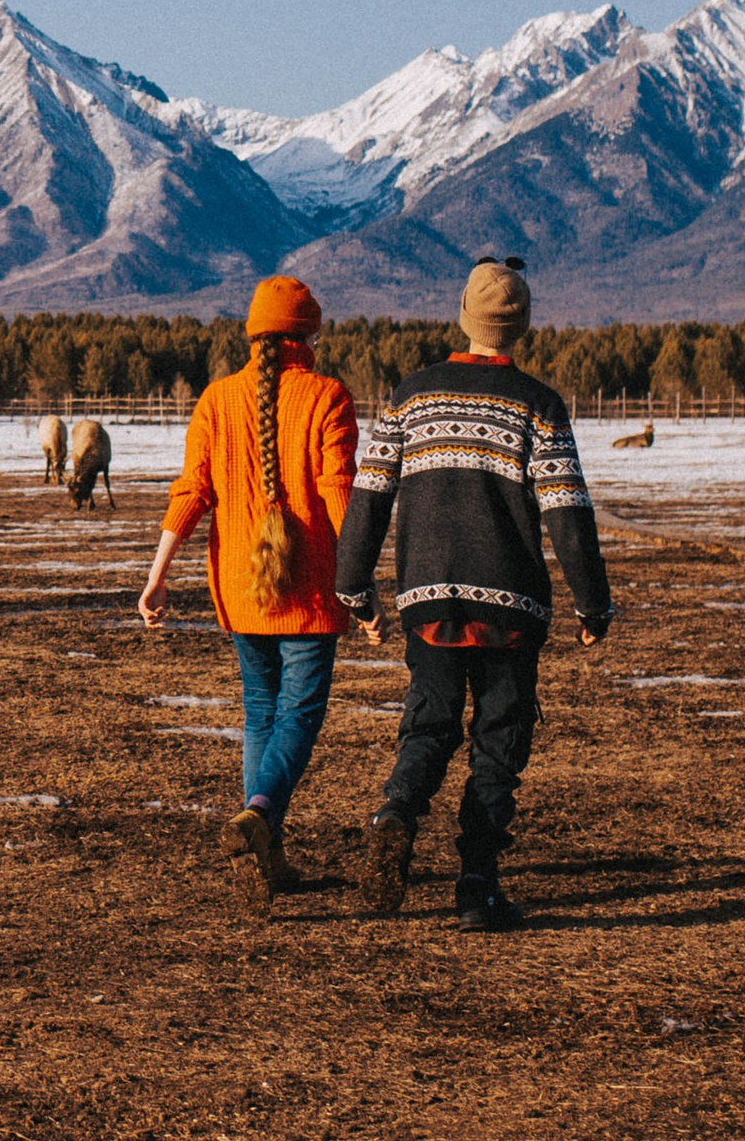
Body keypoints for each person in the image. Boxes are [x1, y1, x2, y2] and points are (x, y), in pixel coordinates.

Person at [336, 255, 614, 933]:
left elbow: (368, 501)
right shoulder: (538, 405)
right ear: (521, 326)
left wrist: (355, 590)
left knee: (429, 723)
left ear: (463, 316)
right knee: (499, 740)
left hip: (427, 602)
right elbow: (566, 513)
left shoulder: (410, 396)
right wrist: (592, 604)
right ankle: (477, 884)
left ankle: (395, 813)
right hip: (509, 607)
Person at [138, 276, 357, 909]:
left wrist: (157, 575)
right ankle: (259, 811)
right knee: (298, 715)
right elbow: (338, 494)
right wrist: (362, 581)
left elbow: (191, 493)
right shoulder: (327, 397)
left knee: (260, 711)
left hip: (239, 589)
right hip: (310, 591)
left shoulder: (216, 399)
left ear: (253, 335)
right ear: (309, 335)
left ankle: (267, 852)